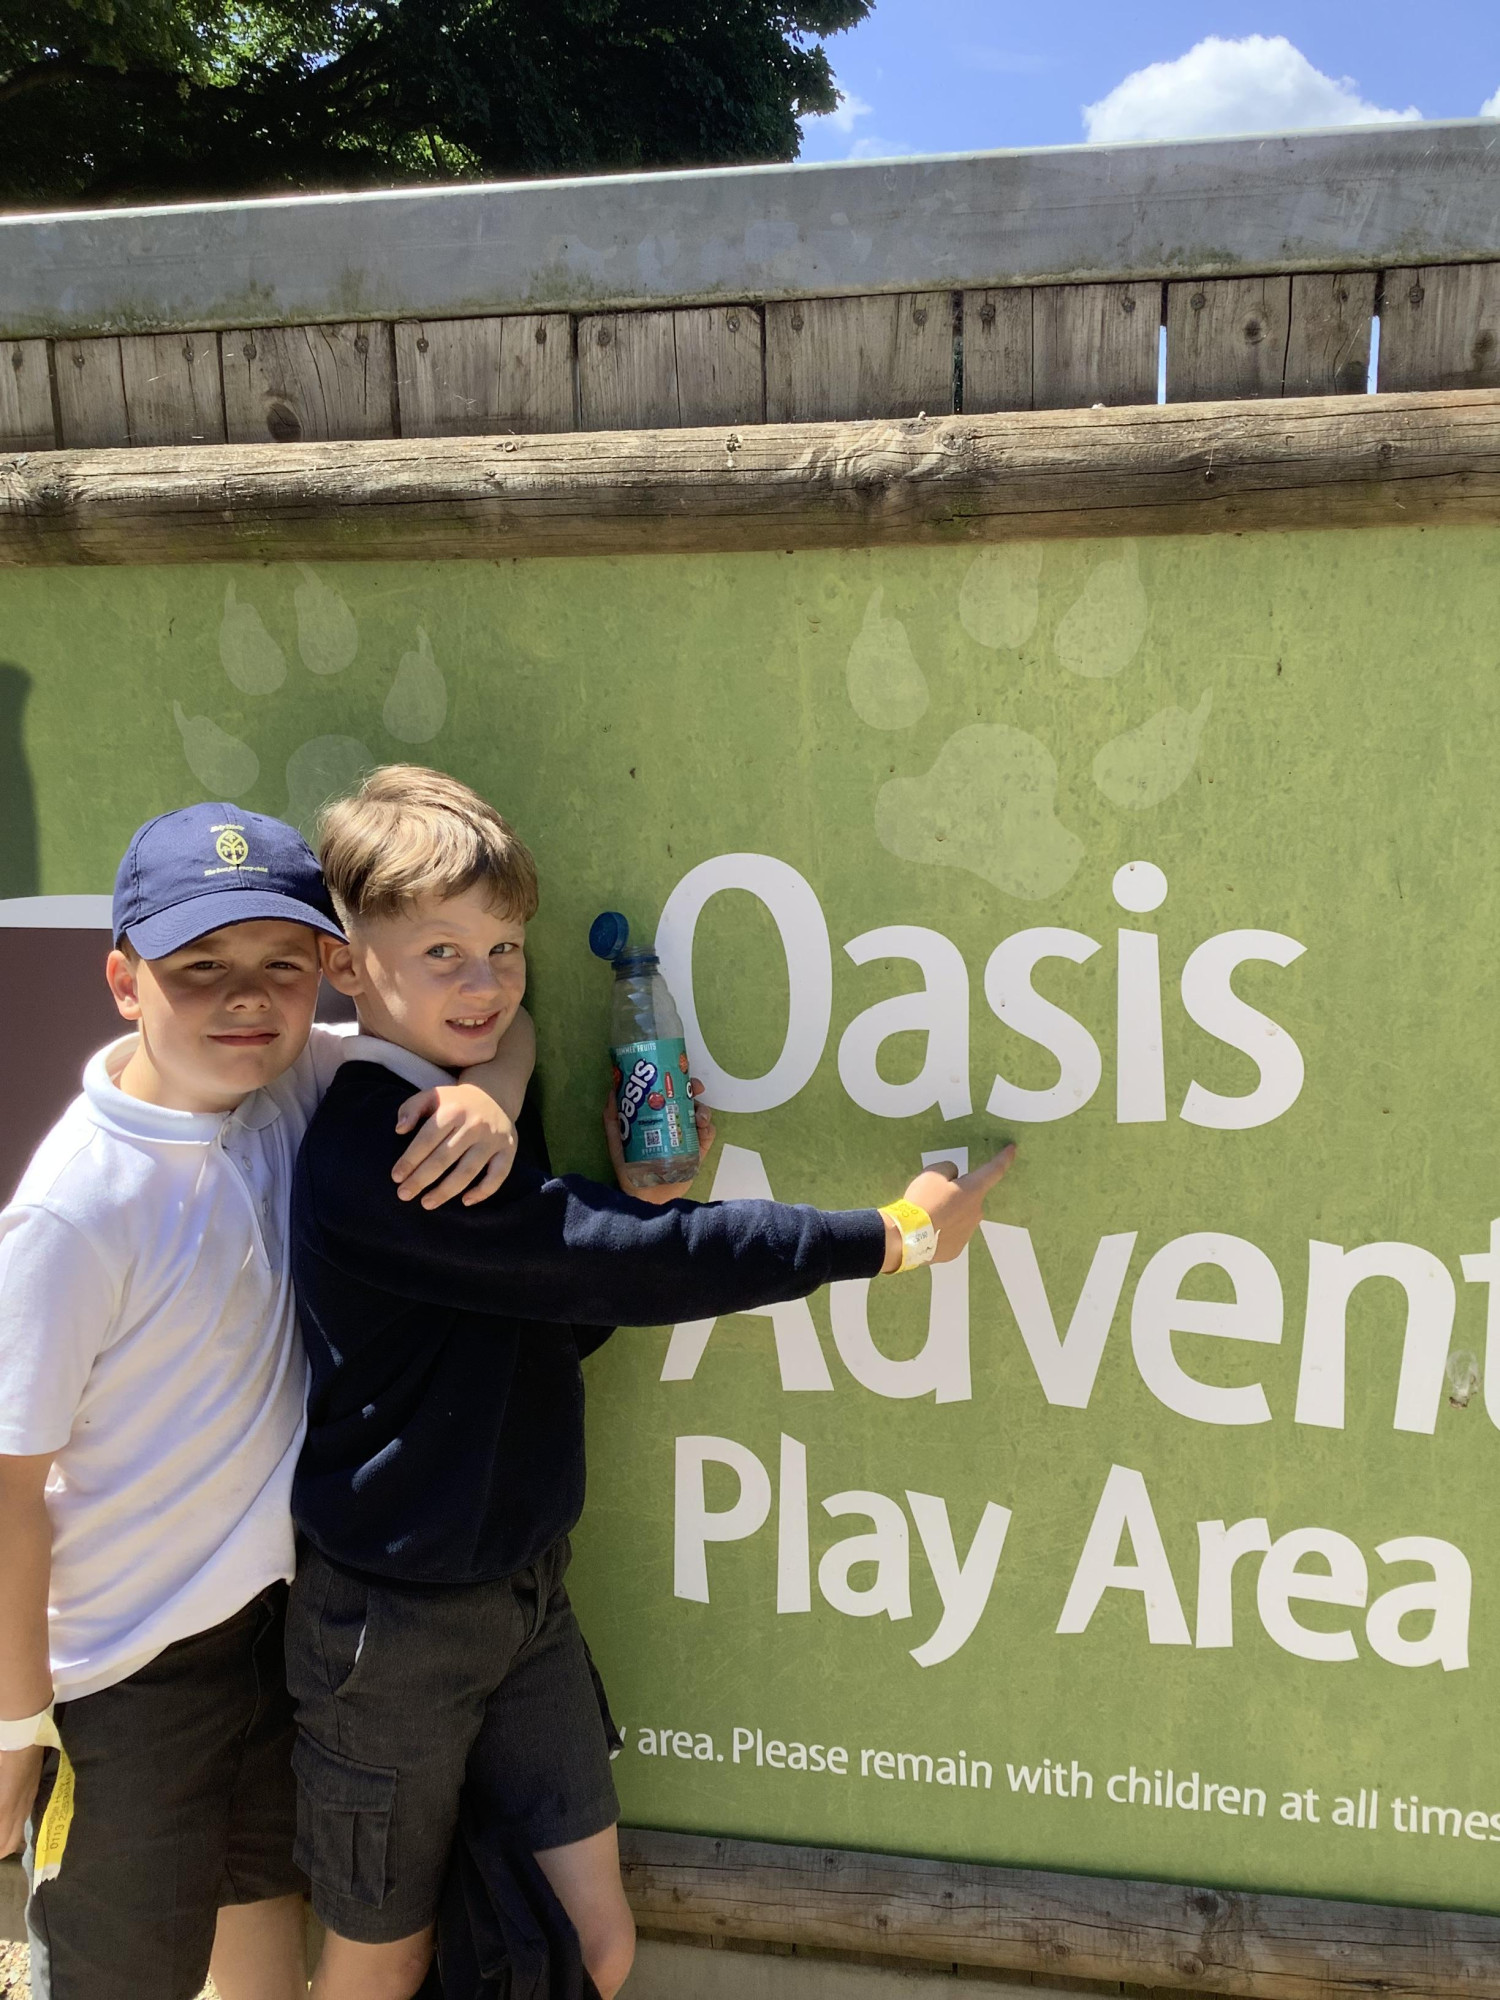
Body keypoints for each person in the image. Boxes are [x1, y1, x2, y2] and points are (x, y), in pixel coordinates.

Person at [287, 765, 1017, 2000]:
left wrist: (580, 1154)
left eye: (504, 949)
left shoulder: (469, 1111)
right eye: (443, 952)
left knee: (597, 1943)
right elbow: (625, 1267)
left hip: (525, 1593)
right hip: (391, 1627)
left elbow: (554, 1313)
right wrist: (892, 1234)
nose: (487, 983)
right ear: (348, 967)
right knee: (382, 1957)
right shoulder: (389, 1151)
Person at [0, 802, 533, 2000]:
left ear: (325, 971)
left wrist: (493, 1093)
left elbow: (502, 1024)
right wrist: (12, 1729)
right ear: (124, 981)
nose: (247, 997)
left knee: (261, 1936)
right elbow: (7, 1491)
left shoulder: (297, 1084)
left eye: (282, 964)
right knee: (117, 1968)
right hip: (121, 1674)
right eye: (200, 967)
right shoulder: (75, 1208)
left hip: (275, 1633)